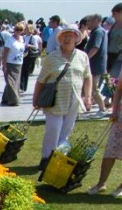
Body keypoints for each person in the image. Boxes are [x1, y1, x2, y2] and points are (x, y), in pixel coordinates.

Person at [33, 24, 92, 169]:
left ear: (76, 39)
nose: (67, 39)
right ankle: (46, 158)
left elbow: (88, 77)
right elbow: (41, 80)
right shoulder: (52, 57)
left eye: (70, 36)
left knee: (66, 130)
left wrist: (88, 97)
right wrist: (36, 100)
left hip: (74, 99)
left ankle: (58, 157)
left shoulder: (82, 56)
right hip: (55, 99)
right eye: (64, 36)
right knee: (53, 128)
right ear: (60, 38)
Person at [87, 67, 122, 197]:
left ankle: (121, 187)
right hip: (120, 116)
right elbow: (119, 89)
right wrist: (114, 110)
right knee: (110, 150)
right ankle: (101, 183)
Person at [85, 14, 109, 116]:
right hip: (98, 64)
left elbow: (95, 48)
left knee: (94, 88)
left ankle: (102, 109)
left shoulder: (98, 32)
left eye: (89, 21)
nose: (87, 23)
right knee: (92, 88)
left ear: (95, 20)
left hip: (95, 64)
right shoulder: (101, 31)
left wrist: (85, 59)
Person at [1, 23, 26, 106]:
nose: (18, 31)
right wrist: (4, 65)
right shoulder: (10, 40)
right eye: (17, 30)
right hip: (10, 63)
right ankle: (14, 100)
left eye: (20, 30)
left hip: (19, 63)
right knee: (11, 82)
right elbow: (5, 54)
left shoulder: (22, 39)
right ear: (14, 30)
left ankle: (5, 98)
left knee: (16, 82)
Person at [20, 24, 42, 93]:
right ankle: (21, 86)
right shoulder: (23, 37)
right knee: (21, 70)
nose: (25, 29)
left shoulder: (33, 38)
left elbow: (36, 47)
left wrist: (29, 45)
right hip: (23, 55)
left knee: (26, 71)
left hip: (29, 56)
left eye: (26, 28)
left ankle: (24, 87)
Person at [108, 4, 122, 79]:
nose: (112, 16)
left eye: (114, 14)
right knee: (108, 80)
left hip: (119, 59)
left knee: (113, 82)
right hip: (110, 57)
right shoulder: (114, 25)